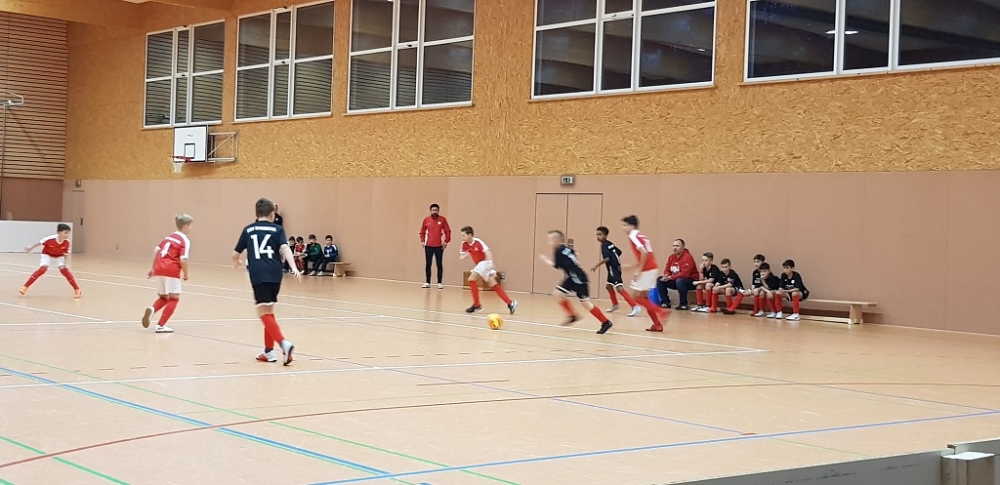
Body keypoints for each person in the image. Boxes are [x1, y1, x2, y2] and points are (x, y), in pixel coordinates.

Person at [232, 198, 300, 365]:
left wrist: (236, 262)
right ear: (272, 215)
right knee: (268, 311)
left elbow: (235, 254)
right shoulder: (278, 229)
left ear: (256, 214)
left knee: (262, 313)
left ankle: (284, 344)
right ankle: (268, 351)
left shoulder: (248, 230)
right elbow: (285, 248)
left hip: (259, 274)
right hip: (276, 273)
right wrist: (294, 267)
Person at [540, 230, 614, 334]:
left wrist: (545, 260)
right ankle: (572, 315)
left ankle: (606, 322)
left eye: (549, 240)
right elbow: (575, 254)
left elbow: (556, 266)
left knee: (586, 304)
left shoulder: (558, 250)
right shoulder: (566, 248)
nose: (549, 242)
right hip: (573, 277)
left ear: (555, 240)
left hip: (578, 279)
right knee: (557, 293)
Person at [142, 214, 194, 333]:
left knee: (163, 297)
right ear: (185, 227)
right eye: (191, 226)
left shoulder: (169, 237)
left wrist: (152, 268)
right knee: (174, 299)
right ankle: (161, 325)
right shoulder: (184, 240)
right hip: (171, 270)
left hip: (159, 268)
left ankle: (152, 309)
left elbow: (156, 250)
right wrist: (186, 273)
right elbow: (183, 259)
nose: (191, 228)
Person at [620, 215, 667, 332]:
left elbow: (644, 253)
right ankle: (657, 324)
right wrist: (632, 267)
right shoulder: (641, 236)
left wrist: (639, 270)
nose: (623, 228)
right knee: (644, 297)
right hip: (652, 267)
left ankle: (661, 311)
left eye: (625, 225)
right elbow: (646, 256)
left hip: (647, 269)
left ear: (632, 226)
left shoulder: (633, 236)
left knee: (634, 297)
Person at [459, 226, 516, 314]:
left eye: (464, 235)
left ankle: (477, 305)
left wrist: (490, 263)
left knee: (471, 279)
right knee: (493, 284)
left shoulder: (478, 242)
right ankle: (510, 303)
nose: (462, 237)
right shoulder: (464, 244)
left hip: (485, 262)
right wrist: (466, 254)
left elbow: (488, 252)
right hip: (480, 265)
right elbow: (462, 256)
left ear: (470, 235)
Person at [20, 223, 80, 298]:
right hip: (47, 254)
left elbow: (65, 254)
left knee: (64, 270)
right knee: (42, 269)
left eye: (68, 233)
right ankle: (25, 287)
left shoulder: (67, 242)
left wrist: (65, 264)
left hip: (59, 256)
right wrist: (30, 248)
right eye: (65, 233)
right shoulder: (50, 239)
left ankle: (77, 289)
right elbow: (39, 243)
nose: (67, 235)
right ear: (59, 232)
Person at [591, 226, 640, 316]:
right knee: (609, 286)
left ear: (605, 236)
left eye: (600, 234)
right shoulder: (610, 243)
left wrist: (596, 266)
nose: (598, 236)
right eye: (597, 235)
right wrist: (617, 262)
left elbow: (607, 258)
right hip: (613, 269)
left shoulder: (604, 245)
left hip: (613, 269)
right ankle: (615, 304)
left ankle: (634, 306)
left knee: (619, 289)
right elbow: (619, 252)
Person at [658, 239, 699, 310]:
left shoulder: (687, 257)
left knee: (680, 281)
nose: (675, 248)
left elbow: (685, 274)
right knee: (660, 280)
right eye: (673, 246)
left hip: (691, 282)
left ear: (683, 247)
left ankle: (683, 304)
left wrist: (671, 277)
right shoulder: (671, 257)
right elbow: (667, 269)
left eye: (677, 246)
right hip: (676, 280)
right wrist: (666, 275)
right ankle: (665, 302)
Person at [419, 203, 451, 289]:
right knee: (428, 264)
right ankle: (427, 282)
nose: (434, 212)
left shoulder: (442, 220)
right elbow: (422, 231)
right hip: (428, 245)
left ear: (438, 211)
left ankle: (439, 282)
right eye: (433, 210)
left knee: (439, 264)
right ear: (430, 211)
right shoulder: (426, 220)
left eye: (436, 210)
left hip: (439, 246)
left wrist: (446, 241)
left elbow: (447, 231)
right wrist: (422, 241)